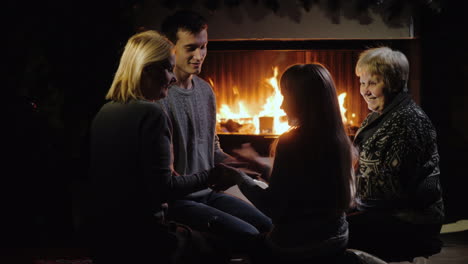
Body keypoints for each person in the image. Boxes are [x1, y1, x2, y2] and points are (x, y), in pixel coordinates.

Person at [86, 30, 236, 264]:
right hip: (144, 237)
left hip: (105, 236)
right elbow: (165, 188)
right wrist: (213, 175)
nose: (173, 78)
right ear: (147, 71)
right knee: (226, 245)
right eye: (168, 68)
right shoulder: (151, 113)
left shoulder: (105, 112)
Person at [156, 9, 273, 255]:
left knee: (268, 225)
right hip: (179, 201)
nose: (200, 56)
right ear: (170, 48)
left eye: (204, 47)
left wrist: (245, 165)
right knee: (249, 235)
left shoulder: (206, 90)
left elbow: (212, 150)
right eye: (191, 48)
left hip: (209, 194)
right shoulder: (160, 97)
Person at [223, 63, 357, 263]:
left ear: (303, 100)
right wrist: (261, 166)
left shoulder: (292, 142)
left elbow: (273, 207)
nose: (281, 105)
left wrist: (238, 178)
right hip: (336, 241)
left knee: (229, 241)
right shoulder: (339, 140)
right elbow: (303, 185)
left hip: (297, 248)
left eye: (285, 96)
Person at [347, 46, 445, 261]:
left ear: (394, 83)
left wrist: (346, 204)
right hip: (384, 211)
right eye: (362, 83)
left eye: (372, 83)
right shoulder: (382, 114)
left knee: (331, 232)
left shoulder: (407, 122)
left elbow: (388, 191)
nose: (364, 91)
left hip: (409, 222)